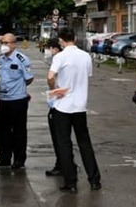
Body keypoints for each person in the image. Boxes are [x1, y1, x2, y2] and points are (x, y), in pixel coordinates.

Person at [48, 28, 101, 193]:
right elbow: (88, 76)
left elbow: (50, 76)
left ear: (61, 41)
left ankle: (71, 181)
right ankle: (94, 179)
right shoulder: (85, 56)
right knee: (84, 142)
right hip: (80, 106)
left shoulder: (60, 56)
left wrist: (55, 88)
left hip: (62, 106)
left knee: (64, 144)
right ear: (75, 38)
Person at [0, 33, 33, 169]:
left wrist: (18, 88)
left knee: (19, 131)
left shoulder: (21, 59)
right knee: (2, 130)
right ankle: (4, 157)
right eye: (2, 42)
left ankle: (19, 159)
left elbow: (29, 78)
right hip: (3, 99)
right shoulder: (0, 59)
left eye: (7, 43)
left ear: (14, 44)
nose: (4, 45)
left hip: (18, 100)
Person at [44, 38, 63, 177]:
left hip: (59, 103)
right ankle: (65, 163)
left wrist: (52, 91)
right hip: (74, 104)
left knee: (59, 137)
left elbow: (51, 78)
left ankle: (61, 164)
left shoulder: (58, 59)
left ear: (55, 48)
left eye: (49, 48)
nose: (48, 51)